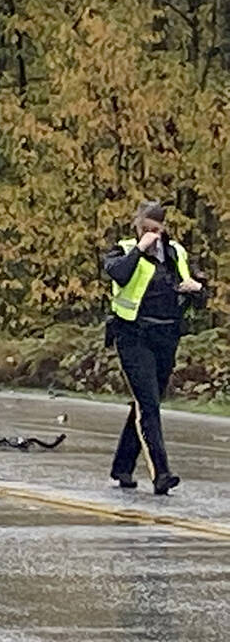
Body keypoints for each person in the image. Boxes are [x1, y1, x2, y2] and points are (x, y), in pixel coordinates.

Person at [104, 200, 204, 496]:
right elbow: (118, 274)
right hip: (133, 335)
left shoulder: (176, 253)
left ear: (163, 228)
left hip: (166, 336)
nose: (150, 233)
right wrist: (139, 249)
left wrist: (196, 290)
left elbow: (201, 292)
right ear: (137, 225)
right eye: (145, 228)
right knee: (149, 405)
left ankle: (122, 467)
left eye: (155, 229)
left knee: (144, 404)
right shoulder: (122, 250)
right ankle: (161, 473)